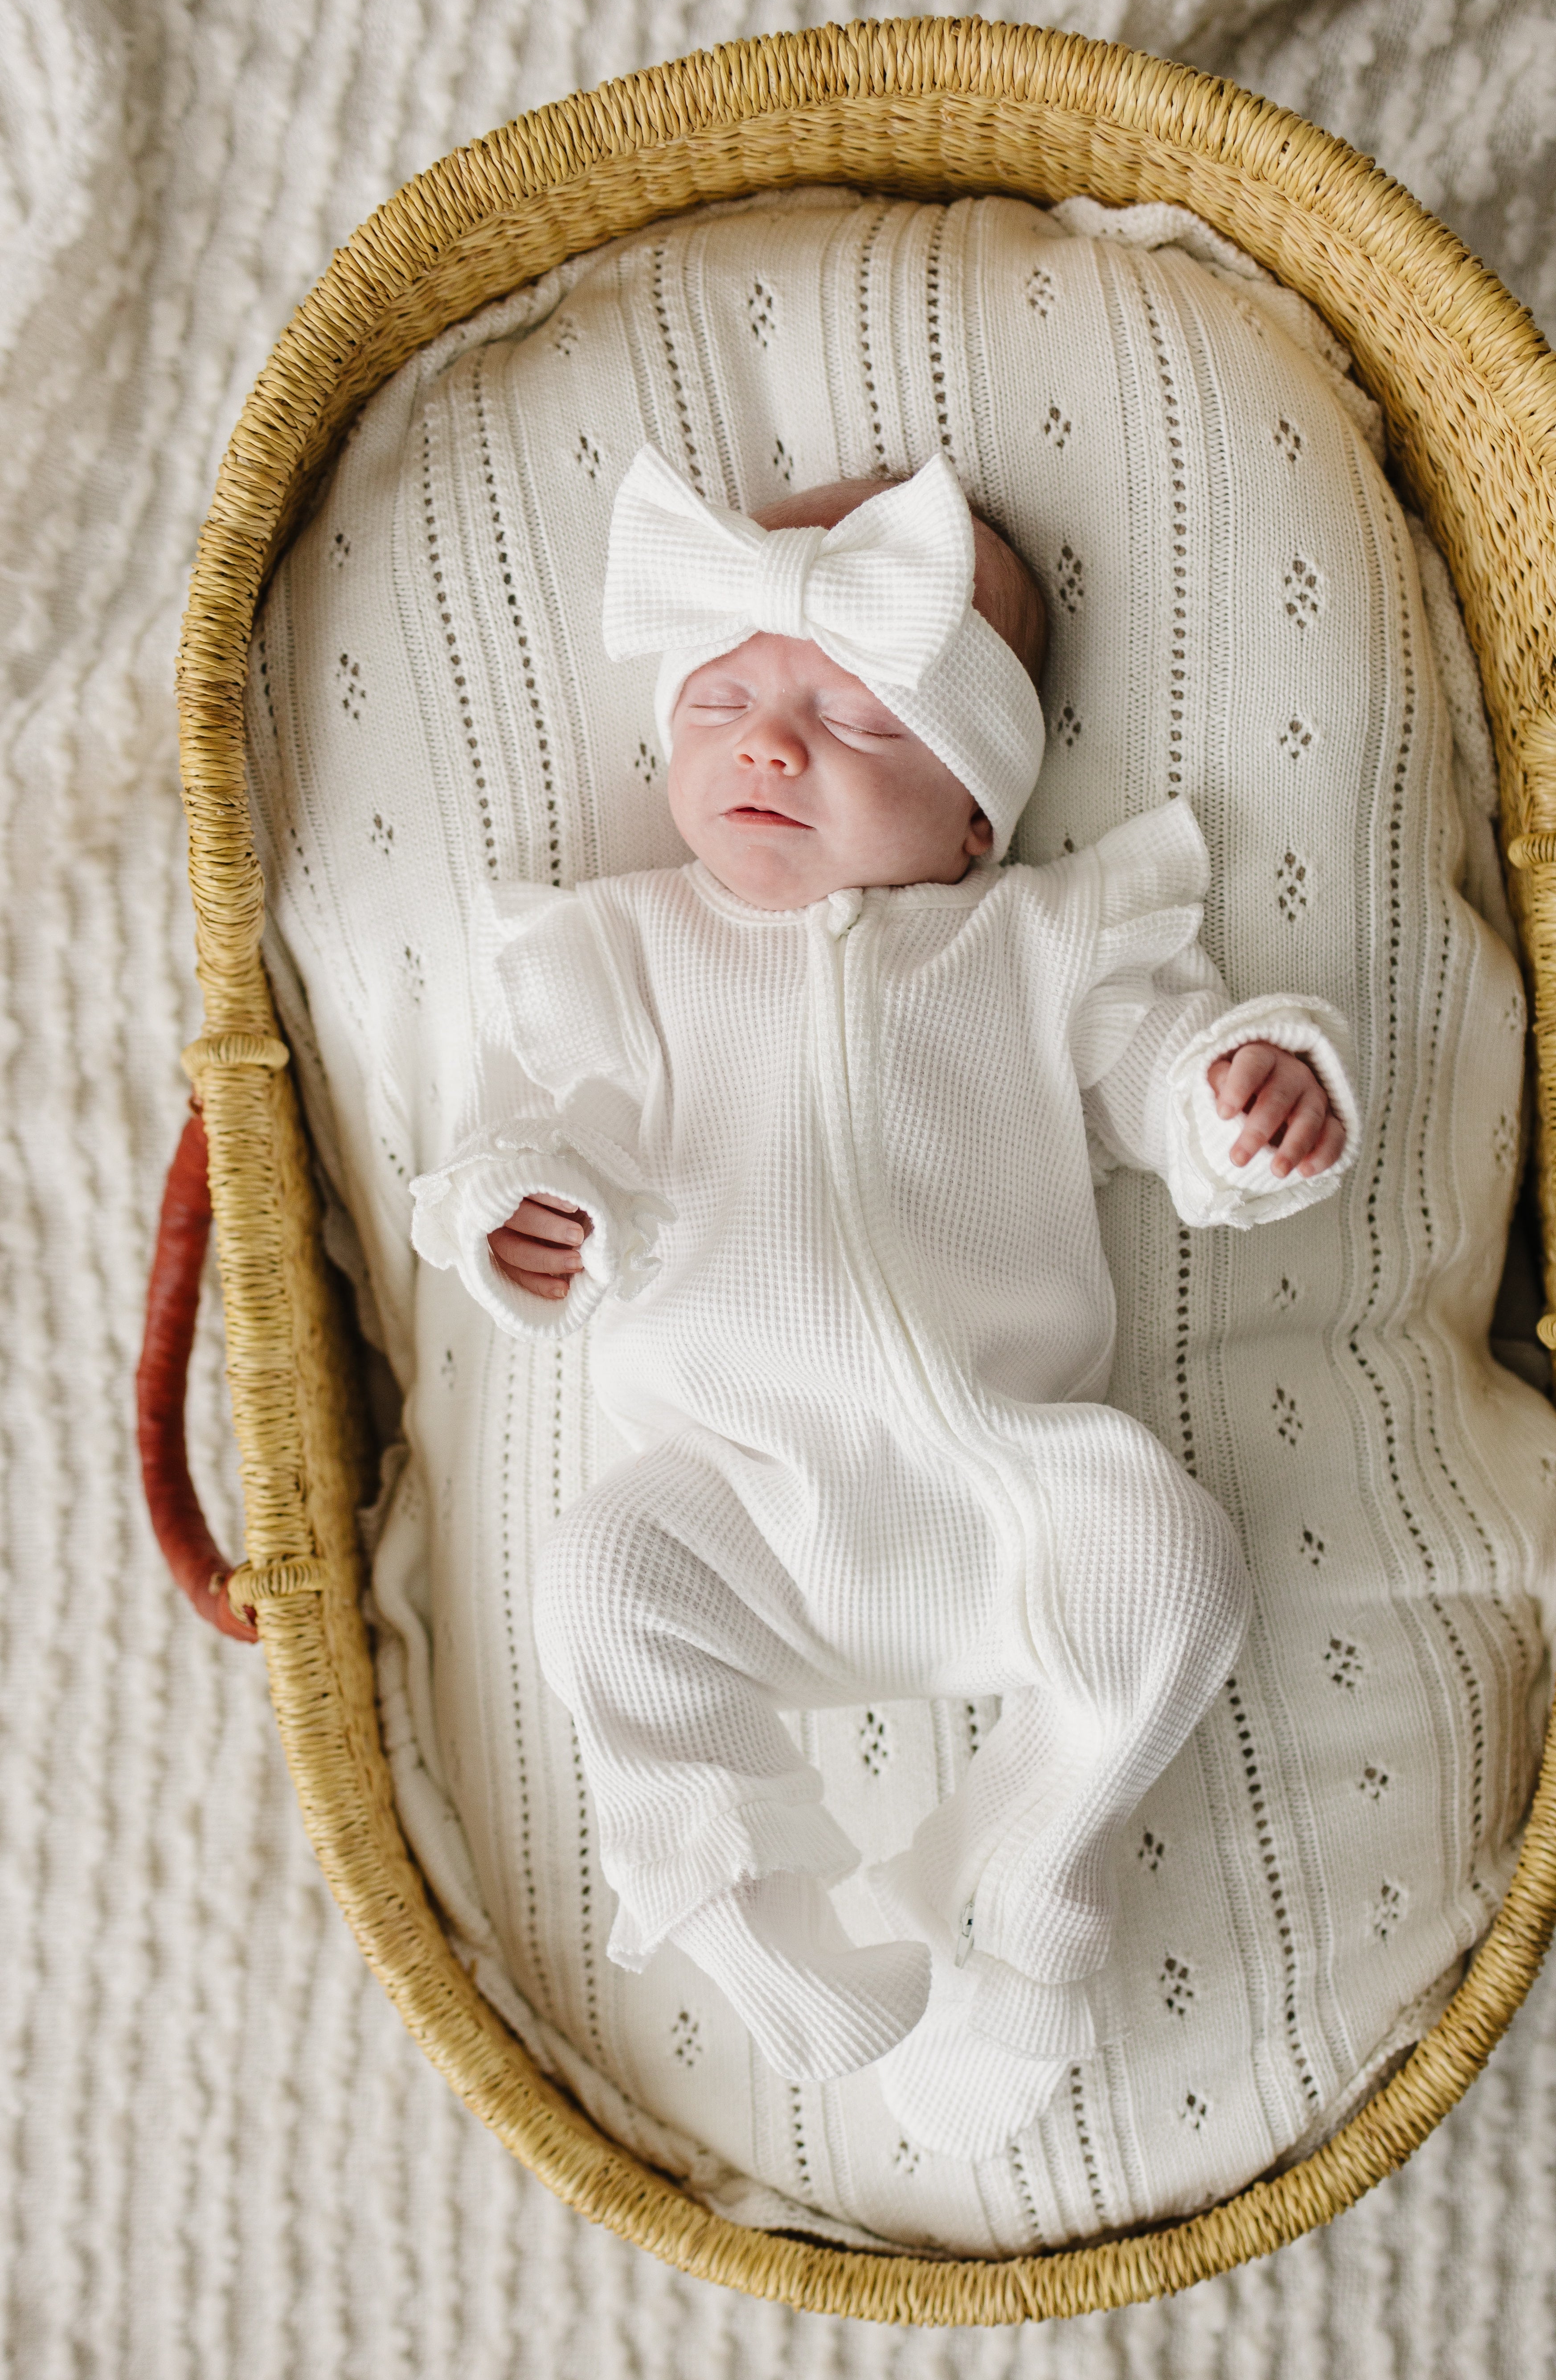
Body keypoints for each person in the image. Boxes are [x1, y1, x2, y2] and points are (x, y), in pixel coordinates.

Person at [412, 447, 1356, 2156]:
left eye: (855, 721)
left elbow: (1157, 1073)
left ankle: (1017, 1901)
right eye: (726, 697)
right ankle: (748, 1910)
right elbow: (532, 1134)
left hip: (1011, 1483)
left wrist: (1241, 1086)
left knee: (1180, 1572)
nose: (770, 743)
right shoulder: (625, 952)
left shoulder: (1040, 942)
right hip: (742, 1502)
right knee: (600, 1582)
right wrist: (521, 1215)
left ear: (981, 810)